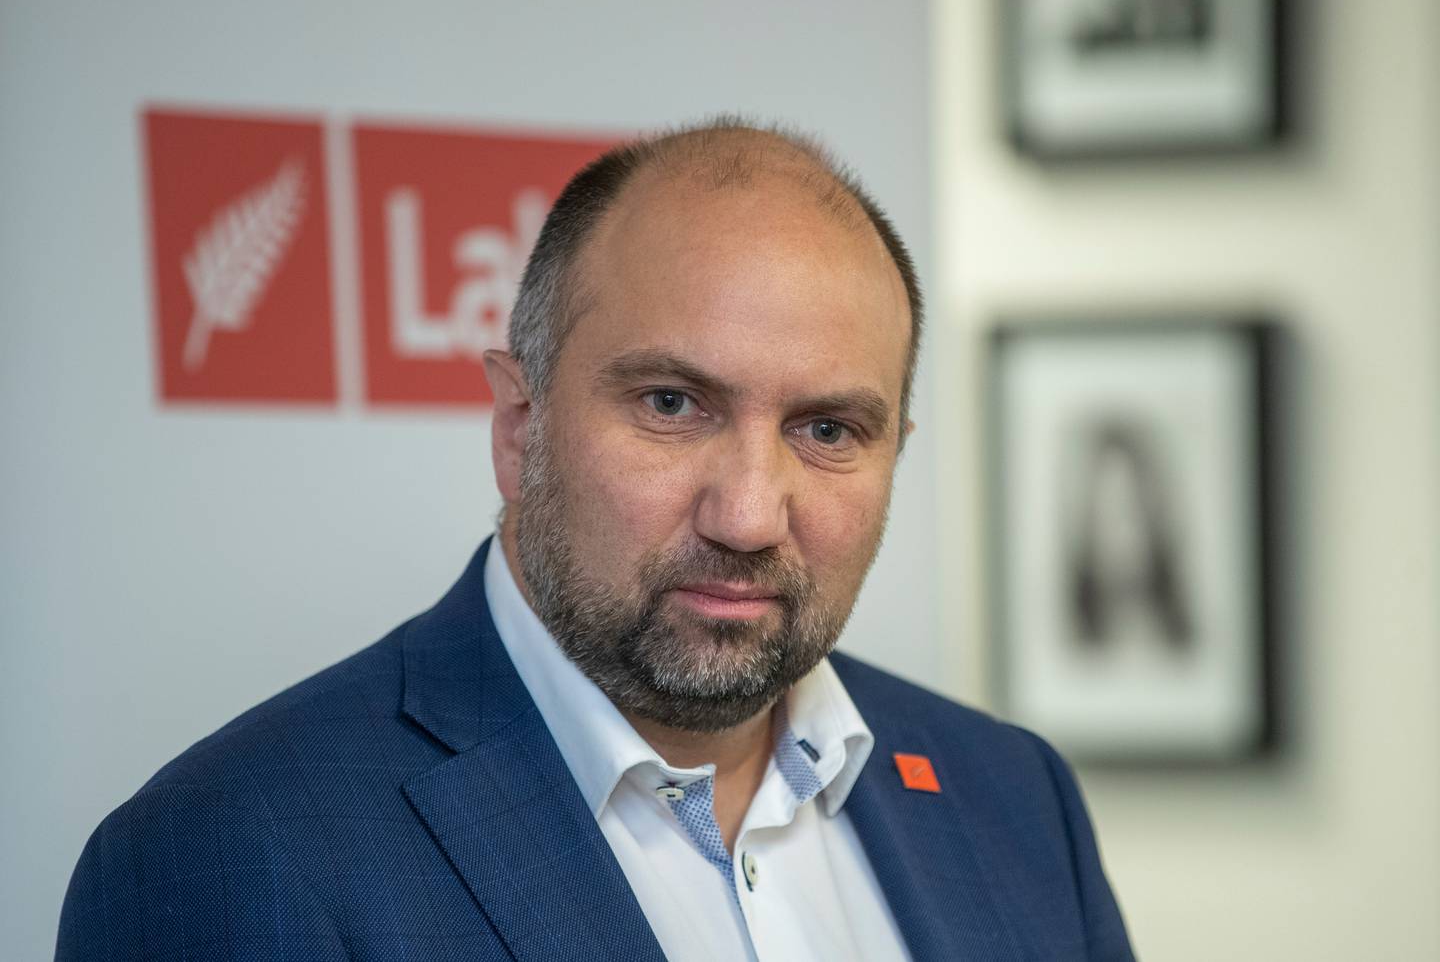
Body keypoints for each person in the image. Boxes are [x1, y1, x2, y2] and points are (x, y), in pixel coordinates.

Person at [57, 118, 1134, 961]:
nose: (750, 514)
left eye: (826, 429)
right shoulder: (233, 854)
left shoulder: (1013, 796)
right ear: (520, 425)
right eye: (672, 403)